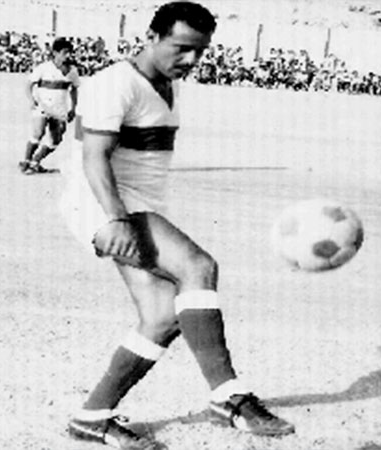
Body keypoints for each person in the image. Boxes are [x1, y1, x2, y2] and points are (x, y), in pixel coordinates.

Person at [59, 2, 295, 448]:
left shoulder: (166, 83)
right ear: (151, 36)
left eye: (200, 51)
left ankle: (92, 416)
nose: (191, 60)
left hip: (134, 202)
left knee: (162, 317)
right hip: (106, 202)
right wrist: (116, 218)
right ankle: (228, 397)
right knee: (197, 267)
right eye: (182, 48)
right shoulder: (114, 83)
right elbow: (93, 159)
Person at [19, 37, 79, 175]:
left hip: (59, 109)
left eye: (69, 52)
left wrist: (74, 108)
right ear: (55, 53)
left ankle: (36, 161)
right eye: (64, 52)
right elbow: (28, 85)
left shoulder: (72, 71)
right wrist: (31, 100)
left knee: (56, 139)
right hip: (42, 106)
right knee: (38, 133)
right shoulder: (44, 68)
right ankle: (26, 162)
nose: (68, 55)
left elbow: (74, 89)